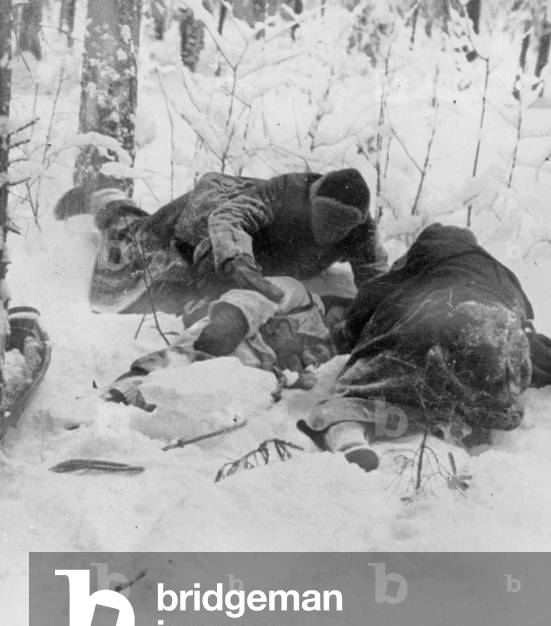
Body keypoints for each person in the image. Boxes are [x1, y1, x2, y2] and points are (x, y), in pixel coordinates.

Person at [298, 223, 551, 472]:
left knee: (362, 390)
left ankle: (348, 433)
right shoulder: (502, 274)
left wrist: (343, 337)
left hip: (433, 322)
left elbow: (369, 298)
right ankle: (456, 423)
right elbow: (529, 339)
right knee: (465, 397)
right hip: (498, 334)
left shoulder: (425, 257)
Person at [56, 168, 388, 315]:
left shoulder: (363, 235)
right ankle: (105, 198)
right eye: (326, 217)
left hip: (259, 258)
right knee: (134, 248)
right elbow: (230, 218)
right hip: (211, 215)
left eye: (344, 224)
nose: (332, 229)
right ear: (311, 201)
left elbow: (376, 284)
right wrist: (238, 261)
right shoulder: (286, 192)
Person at [108, 276, 341, 408]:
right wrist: (232, 321)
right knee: (177, 362)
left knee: (185, 396)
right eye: (341, 315)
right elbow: (252, 296)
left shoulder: (329, 347)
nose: (340, 323)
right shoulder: (300, 294)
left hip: (250, 369)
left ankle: (144, 414)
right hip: (229, 338)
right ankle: (111, 400)